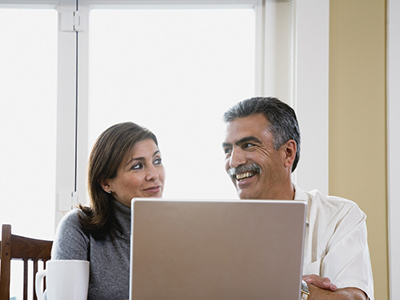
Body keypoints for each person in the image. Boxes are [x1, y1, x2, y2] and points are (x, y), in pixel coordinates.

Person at [222, 97, 374, 300]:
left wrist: (297, 289)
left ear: (288, 153)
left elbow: (353, 299)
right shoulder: (218, 229)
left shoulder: (340, 216)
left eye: (248, 145)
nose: (234, 161)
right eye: (227, 150)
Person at [51, 122, 165, 300]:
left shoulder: (174, 230)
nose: (154, 175)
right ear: (106, 183)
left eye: (157, 161)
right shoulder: (78, 226)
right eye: (137, 166)